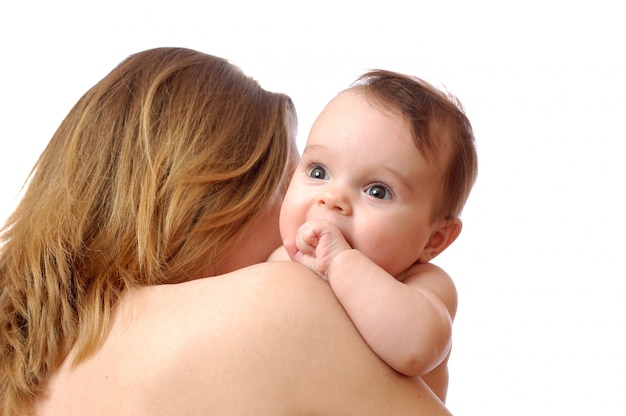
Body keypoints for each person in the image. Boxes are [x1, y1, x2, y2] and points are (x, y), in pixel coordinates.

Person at [0, 48, 452, 415]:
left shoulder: (27, 357)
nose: (321, 211)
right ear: (218, 196)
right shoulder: (283, 302)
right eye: (300, 176)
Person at [270, 70, 478, 402]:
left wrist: (340, 262)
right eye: (318, 171)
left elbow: (416, 348)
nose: (332, 198)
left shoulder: (421, 285)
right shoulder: (277, 259)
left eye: (377, 191)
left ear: (434, 239)